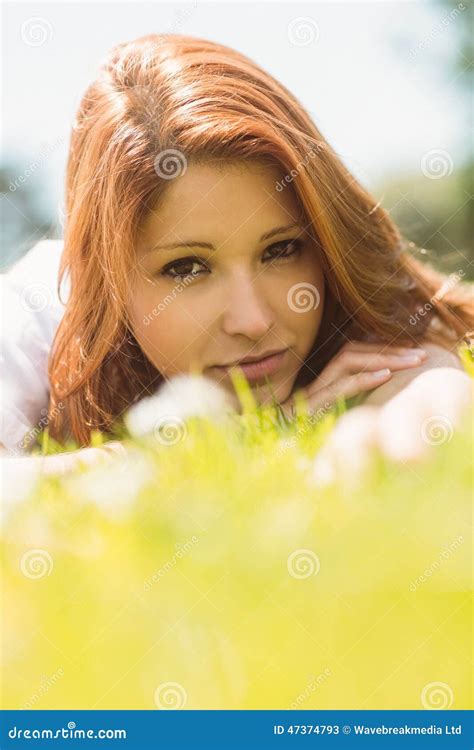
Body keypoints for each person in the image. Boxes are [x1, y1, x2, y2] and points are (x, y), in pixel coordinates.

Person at [1, 33, 472, 475]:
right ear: (105, 279)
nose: (252, 321)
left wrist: (432, 374)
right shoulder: (39, 311)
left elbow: (429, 387)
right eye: (186, 268)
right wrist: (224, 438)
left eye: (281, 249)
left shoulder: (350, 299)